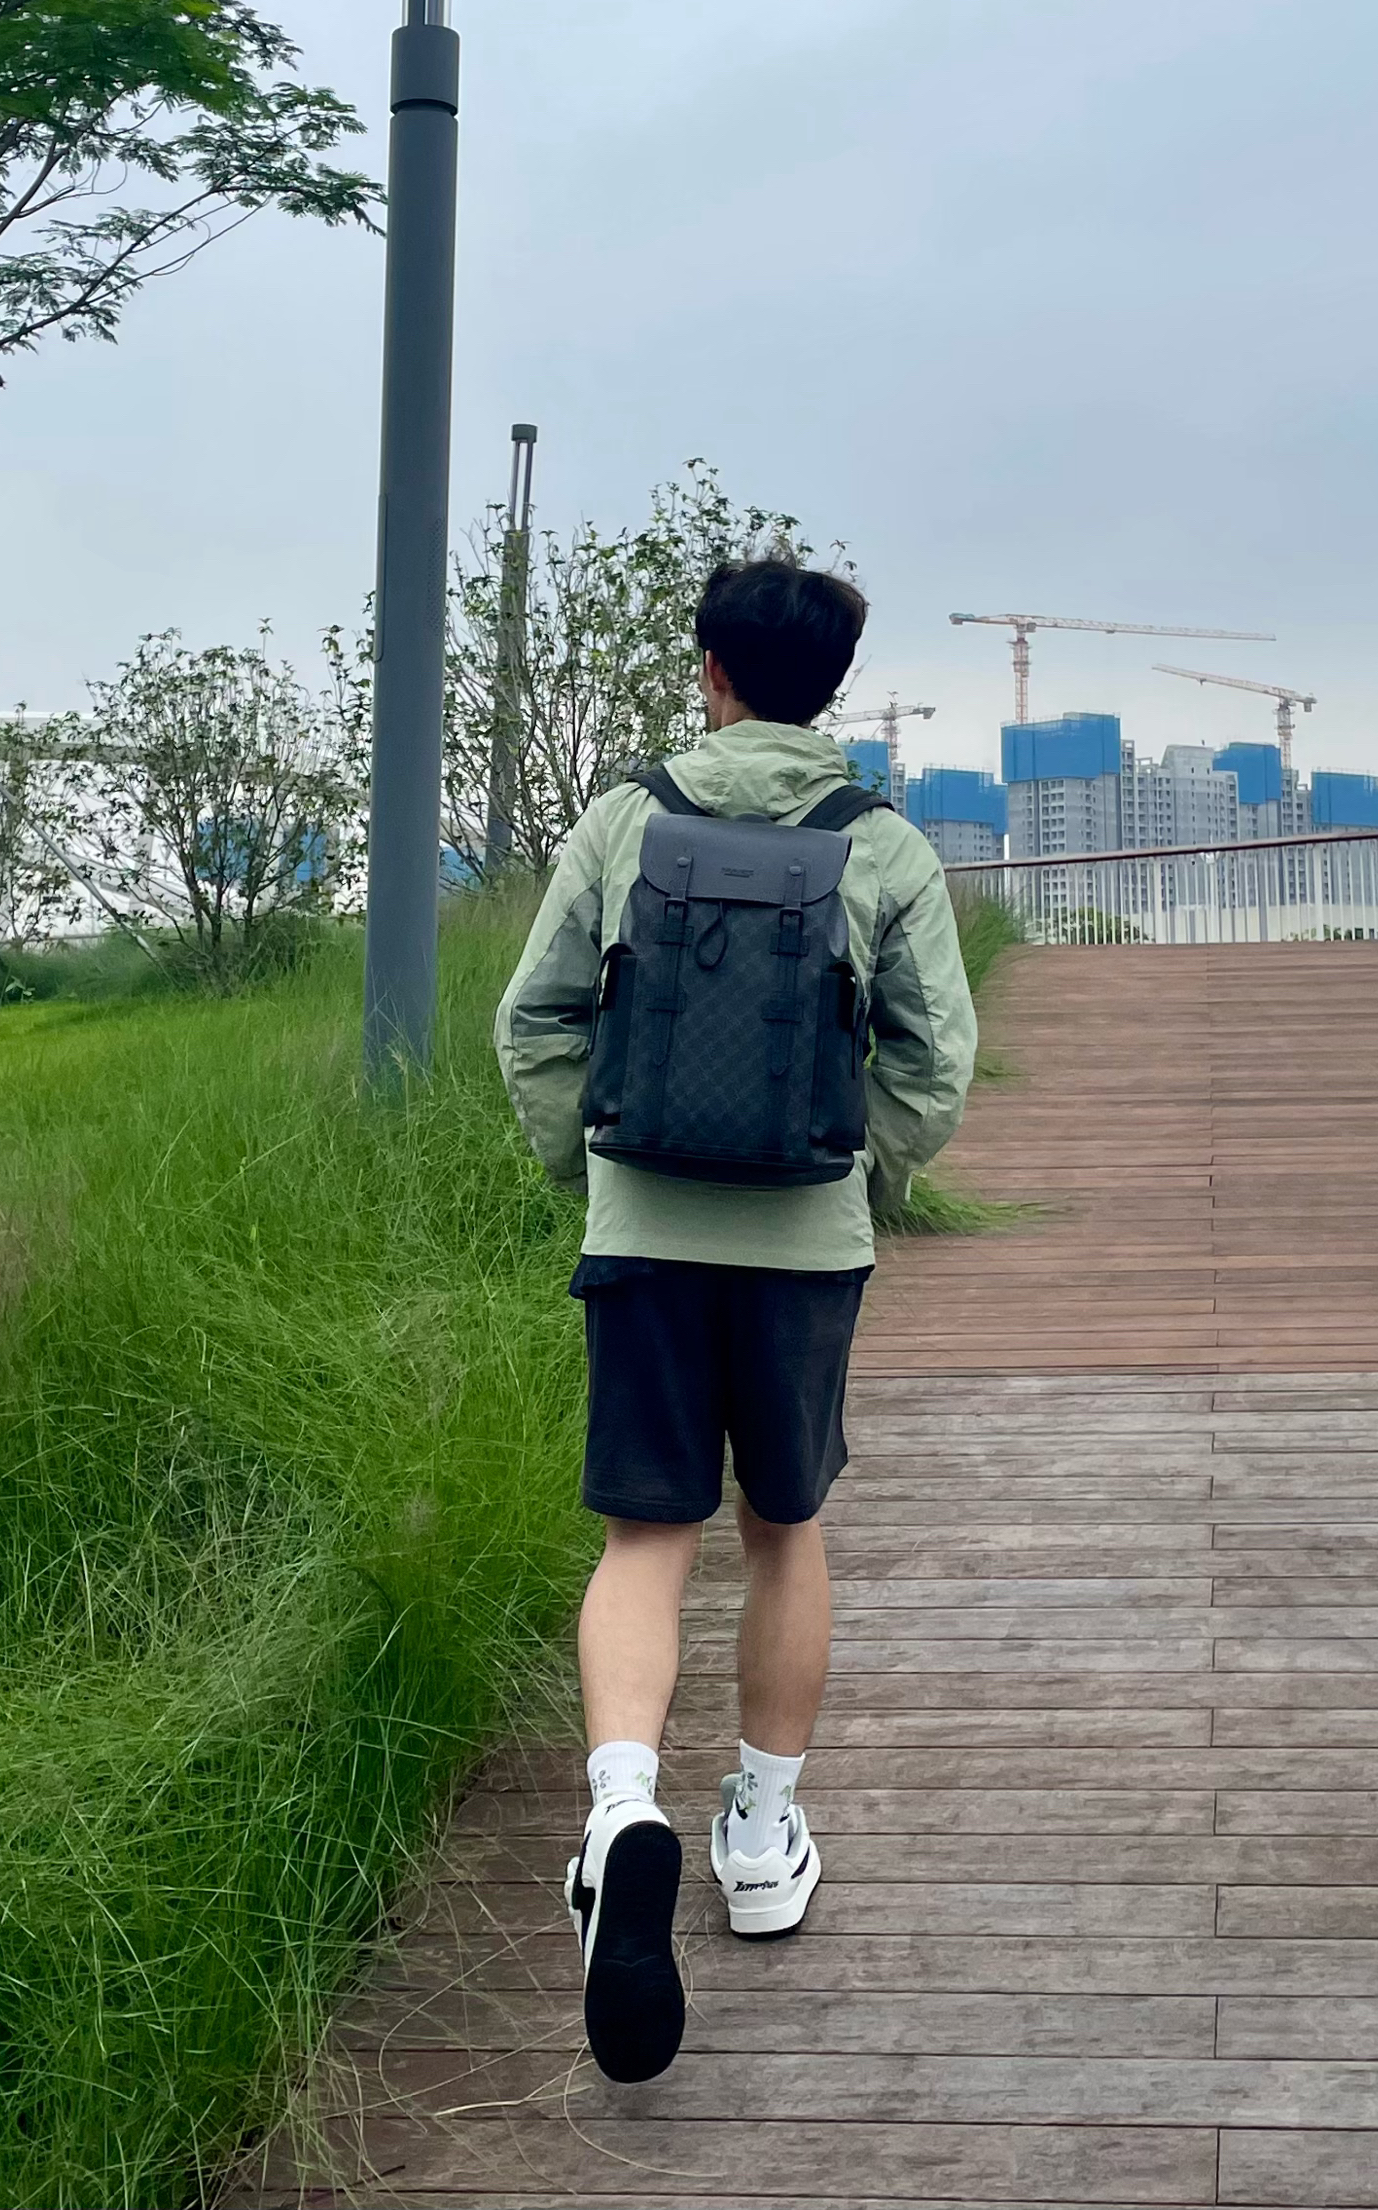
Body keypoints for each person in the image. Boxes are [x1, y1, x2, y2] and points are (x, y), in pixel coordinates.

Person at [493, 556, 977, 2084]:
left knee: (645, 1535)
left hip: (644, 1235)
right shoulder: (882, 844)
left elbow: (532, 1018)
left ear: (709, 669)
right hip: (804, 1249)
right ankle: (760, 1839)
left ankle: (621, 1808)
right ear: (831, 688)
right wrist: (858, 1172)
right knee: (784, 1526)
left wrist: (597, 1161)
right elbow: (934, 1063)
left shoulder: (624, 820)